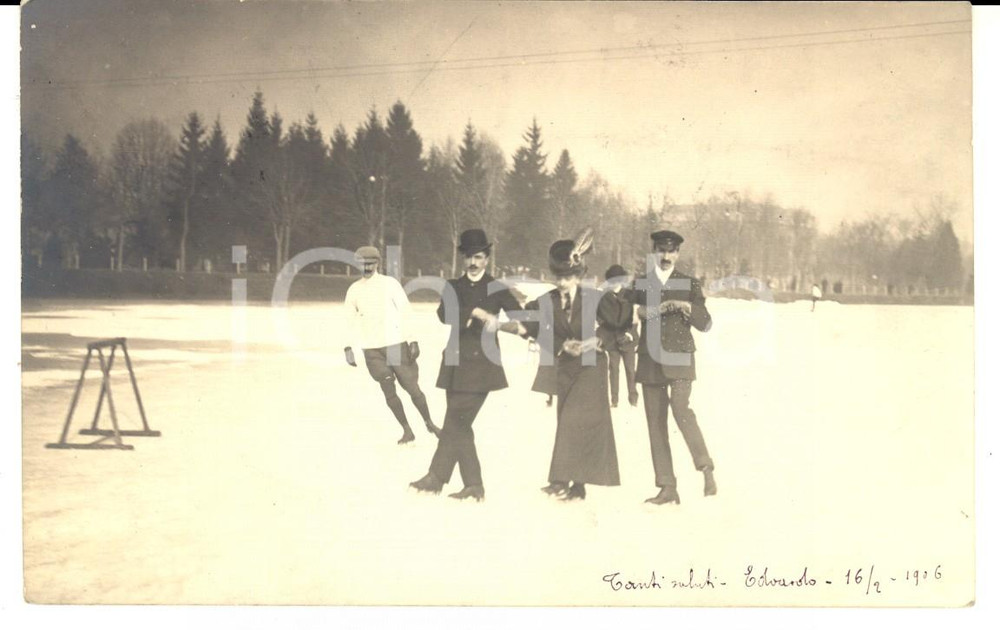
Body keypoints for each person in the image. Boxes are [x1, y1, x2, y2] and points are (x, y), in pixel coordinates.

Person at [409, 229, 525, 502]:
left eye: (479, 257)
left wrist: (503, 323)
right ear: (463, 258)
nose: (473, 262)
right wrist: (472, 312)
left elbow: (521, 319)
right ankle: (474, 485)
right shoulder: (453, 286)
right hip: (454, 365)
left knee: (456, 421)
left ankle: (437, 477)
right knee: (460, 424)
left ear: (487, 258)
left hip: (483, 367)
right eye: (469, 257)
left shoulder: (497, 287)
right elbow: (442, 314)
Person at [522, 239, 620, 501]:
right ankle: (578, 486)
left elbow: (619, 324)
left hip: (592, 368)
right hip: (565, 368)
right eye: (559, 277)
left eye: (569, 277)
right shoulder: (547, 301)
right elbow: (529, 326)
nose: (563, 283)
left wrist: (598, 340)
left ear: (579, 275)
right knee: (568, 421)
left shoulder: (597, 298)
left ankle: (559, 481)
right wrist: (560, 345)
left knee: (572, 421)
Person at [630, 229, 715, 505]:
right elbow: (626, 313)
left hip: (680, 358)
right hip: (650, 361)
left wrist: (686, 306)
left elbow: (706, 323)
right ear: (654, 252)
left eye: (671, 251)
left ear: (678, 254)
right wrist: (650, 310)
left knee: (681, 410)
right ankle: (667, 487)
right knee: (655, 423)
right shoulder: (641, 283)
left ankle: (705, 467)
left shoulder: (689, 284)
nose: (666, 256)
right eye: (661, 250)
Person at [344, 246, 440, 444]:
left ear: (378, 263)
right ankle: (407, 430)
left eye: (370, 263)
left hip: (396, 344)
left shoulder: (390, 284)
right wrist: (348, 347)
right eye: (363, 264)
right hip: (372, 349)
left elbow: (406, 312)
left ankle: (429, 422)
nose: (367, 267)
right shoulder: (354, 290)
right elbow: (349, 320)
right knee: (388, 389)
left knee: (412, 389)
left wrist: (413, 339)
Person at [600, 264, 639, 408]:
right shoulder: (603, 297)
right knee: (613, 369)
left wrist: (629, 333)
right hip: (611, 340)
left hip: (628, 339)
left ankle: (633, 398)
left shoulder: (630, 296)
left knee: (630, 369)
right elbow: (599, 317)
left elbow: (634, 318)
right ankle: (614, 399)